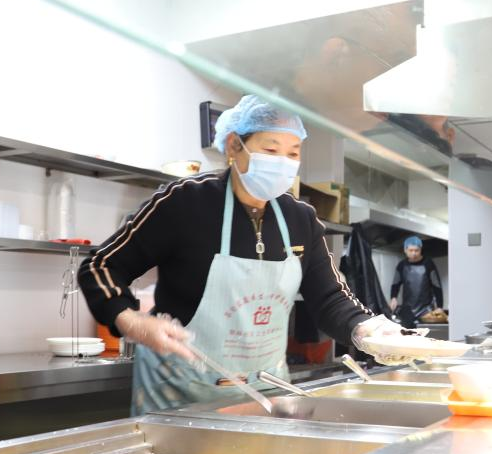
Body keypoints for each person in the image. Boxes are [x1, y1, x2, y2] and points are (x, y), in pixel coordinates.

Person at [78, 94, 403, 415]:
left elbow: (330, 298)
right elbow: (100, 267)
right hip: (180, 394)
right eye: (271, 150)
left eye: (293, 153)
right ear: (234, 146)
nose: (283, 162)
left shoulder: (300, 219)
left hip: (265, 392)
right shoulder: (185, 202)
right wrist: (132, 321)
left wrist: (366, 330)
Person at [389, 236, 445, 329]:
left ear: (420, 250)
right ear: (405, 250)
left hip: (426, 310)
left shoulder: (428, 263)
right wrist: (393, 297)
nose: (414, 253)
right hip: (408, 310)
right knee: (408, 333)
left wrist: (439, 306)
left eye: (416, 250)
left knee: (425, 334)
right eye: (411, 250)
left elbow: (436, 285)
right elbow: (396, 283)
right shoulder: (402, 265)